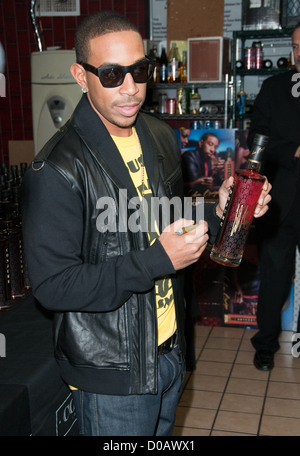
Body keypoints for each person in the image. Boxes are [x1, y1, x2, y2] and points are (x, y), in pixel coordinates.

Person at [21, 10, 271, 436]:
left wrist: (220, 207)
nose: (131, 88)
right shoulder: (57, 170)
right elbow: (53, 286)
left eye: (140, 70)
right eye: (113, 74)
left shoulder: (157, 134)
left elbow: (161, 217)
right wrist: (157, 261)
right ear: (81, 76)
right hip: (113, 372)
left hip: (168, 352)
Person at [248, 23, 300, 371]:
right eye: (297, 46)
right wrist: (294, 151)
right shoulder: (274, 87)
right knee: (274, 278)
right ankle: (265, 344)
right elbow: (257, 141)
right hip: (280, 201)